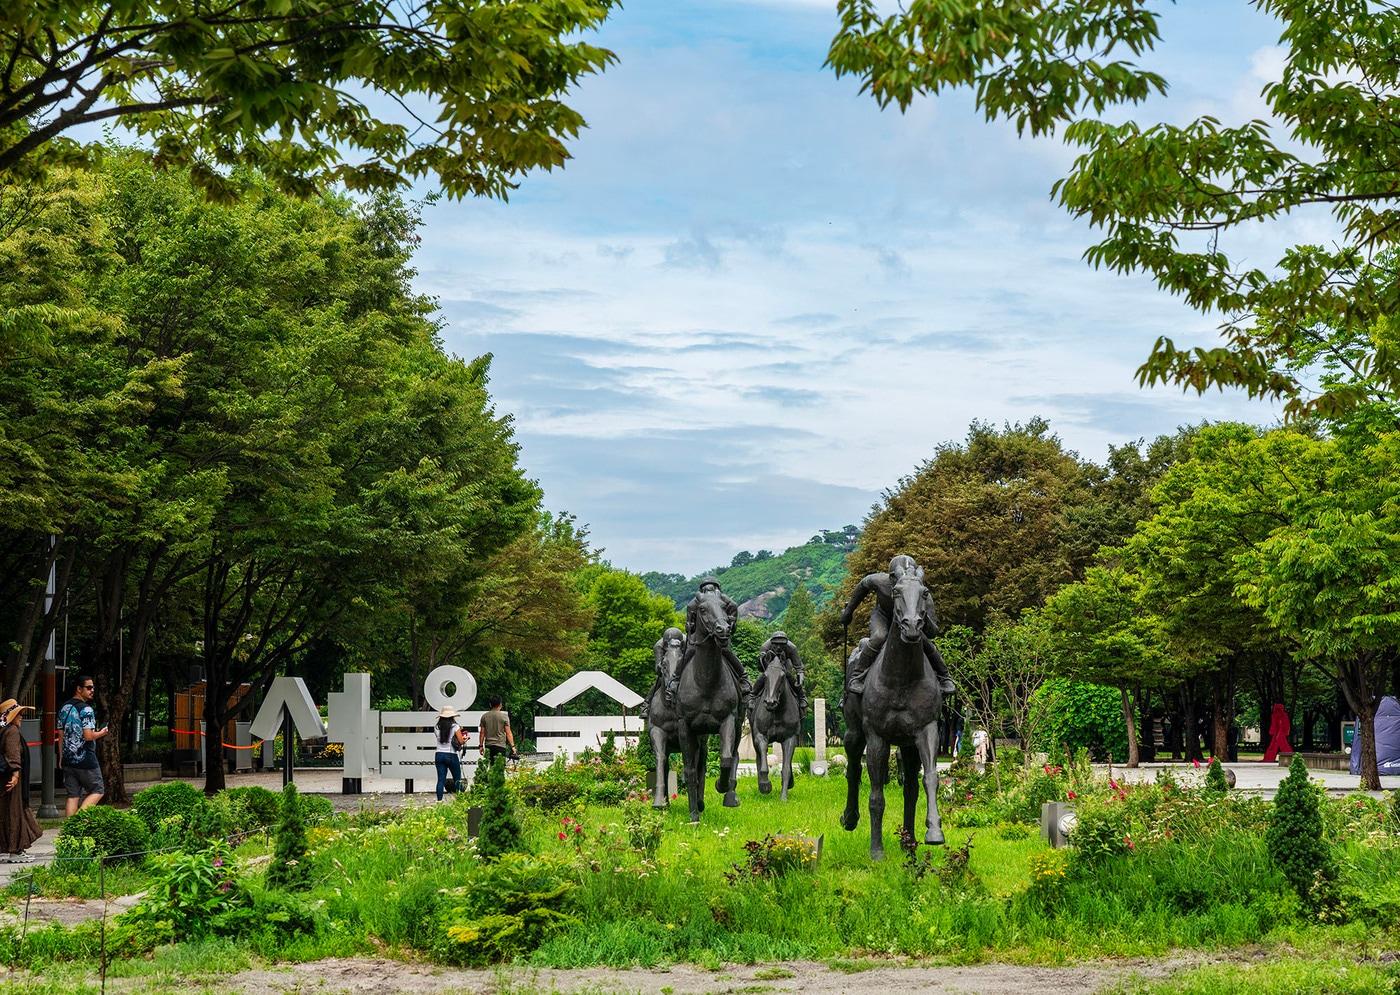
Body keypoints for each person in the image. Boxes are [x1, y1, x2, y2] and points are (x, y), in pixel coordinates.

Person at [840, 555, 955, 695]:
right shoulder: (879, 581)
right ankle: (857, 677)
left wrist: (922, 618)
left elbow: (932, 632)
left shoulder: (923, 594)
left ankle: (944, 677)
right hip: (884, 617)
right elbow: (862, 586)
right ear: (891, 578)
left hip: (909, 621)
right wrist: (849, 611)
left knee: (924, 642)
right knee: (878, 637)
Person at [668, 577, 753, 704]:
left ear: (716, 589)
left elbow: (734, 607)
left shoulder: (722, 599)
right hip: (700, 638)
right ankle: (676, 678)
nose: (709, 590)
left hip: (719, 636)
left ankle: (743, 679)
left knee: (728, 652)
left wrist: (731, 621)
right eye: (707, 587)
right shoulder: (696, 601)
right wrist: (690, 625)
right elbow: (689, 617)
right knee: (689, 652)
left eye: (711, 587)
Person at [58, 675, 108, 816]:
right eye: (89, 687)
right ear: (79, 689)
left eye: (93, 687)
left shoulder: (64, 708)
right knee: (98, 790)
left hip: (68, 759)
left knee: (73, 795)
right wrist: (102, 733)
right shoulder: (86, 710)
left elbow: (60, 735)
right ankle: (78, 821)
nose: (92, 690)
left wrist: (61, 757)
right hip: (85, 760)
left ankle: (68, 834)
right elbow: (88, 736)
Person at [0, 698, 41, 863]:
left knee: (5, 812)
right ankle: (15, 850)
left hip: (3, 778)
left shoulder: (2, 730)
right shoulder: (12, 732)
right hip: (10, 779)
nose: (21, 717)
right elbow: (13, 754)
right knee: (13, 812)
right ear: (11, 716)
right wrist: (16, 774)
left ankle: (9, 847)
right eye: (19, 714)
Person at [751, 631, 807, 713]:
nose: (778, 647)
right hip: (770, 666)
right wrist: (761, 660)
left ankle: (802, 697)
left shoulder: (792, 648)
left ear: (786, 644)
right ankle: (752, 695)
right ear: (771, 643)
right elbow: (760, 668)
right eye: (775, 644)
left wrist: (800, 680)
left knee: (789, 676)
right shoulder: (765, 647)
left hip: (786, 664)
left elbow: (799, 668)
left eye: (781, 645)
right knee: (765, 675)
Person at [433, 706, 466, 800]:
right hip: (451, 754)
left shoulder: (436, 727)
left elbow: (440, 739)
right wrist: (465, 739)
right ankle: (459, 800)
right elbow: (460, 741)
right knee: (457, 779)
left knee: (440, 780)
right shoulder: (455, 726)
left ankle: (439, 801)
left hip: (439, 754)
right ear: (452, 716)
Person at [478, 696, 517, 765]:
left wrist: (481, 746)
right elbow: (508, 733)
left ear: (490, 704)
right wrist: (513, 746)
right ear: (500, 704)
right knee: (499, 769)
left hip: (488, 746)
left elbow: (482, 733)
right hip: (500, 745)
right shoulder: (504, 717)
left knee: (491, 768)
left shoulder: (484, 716)